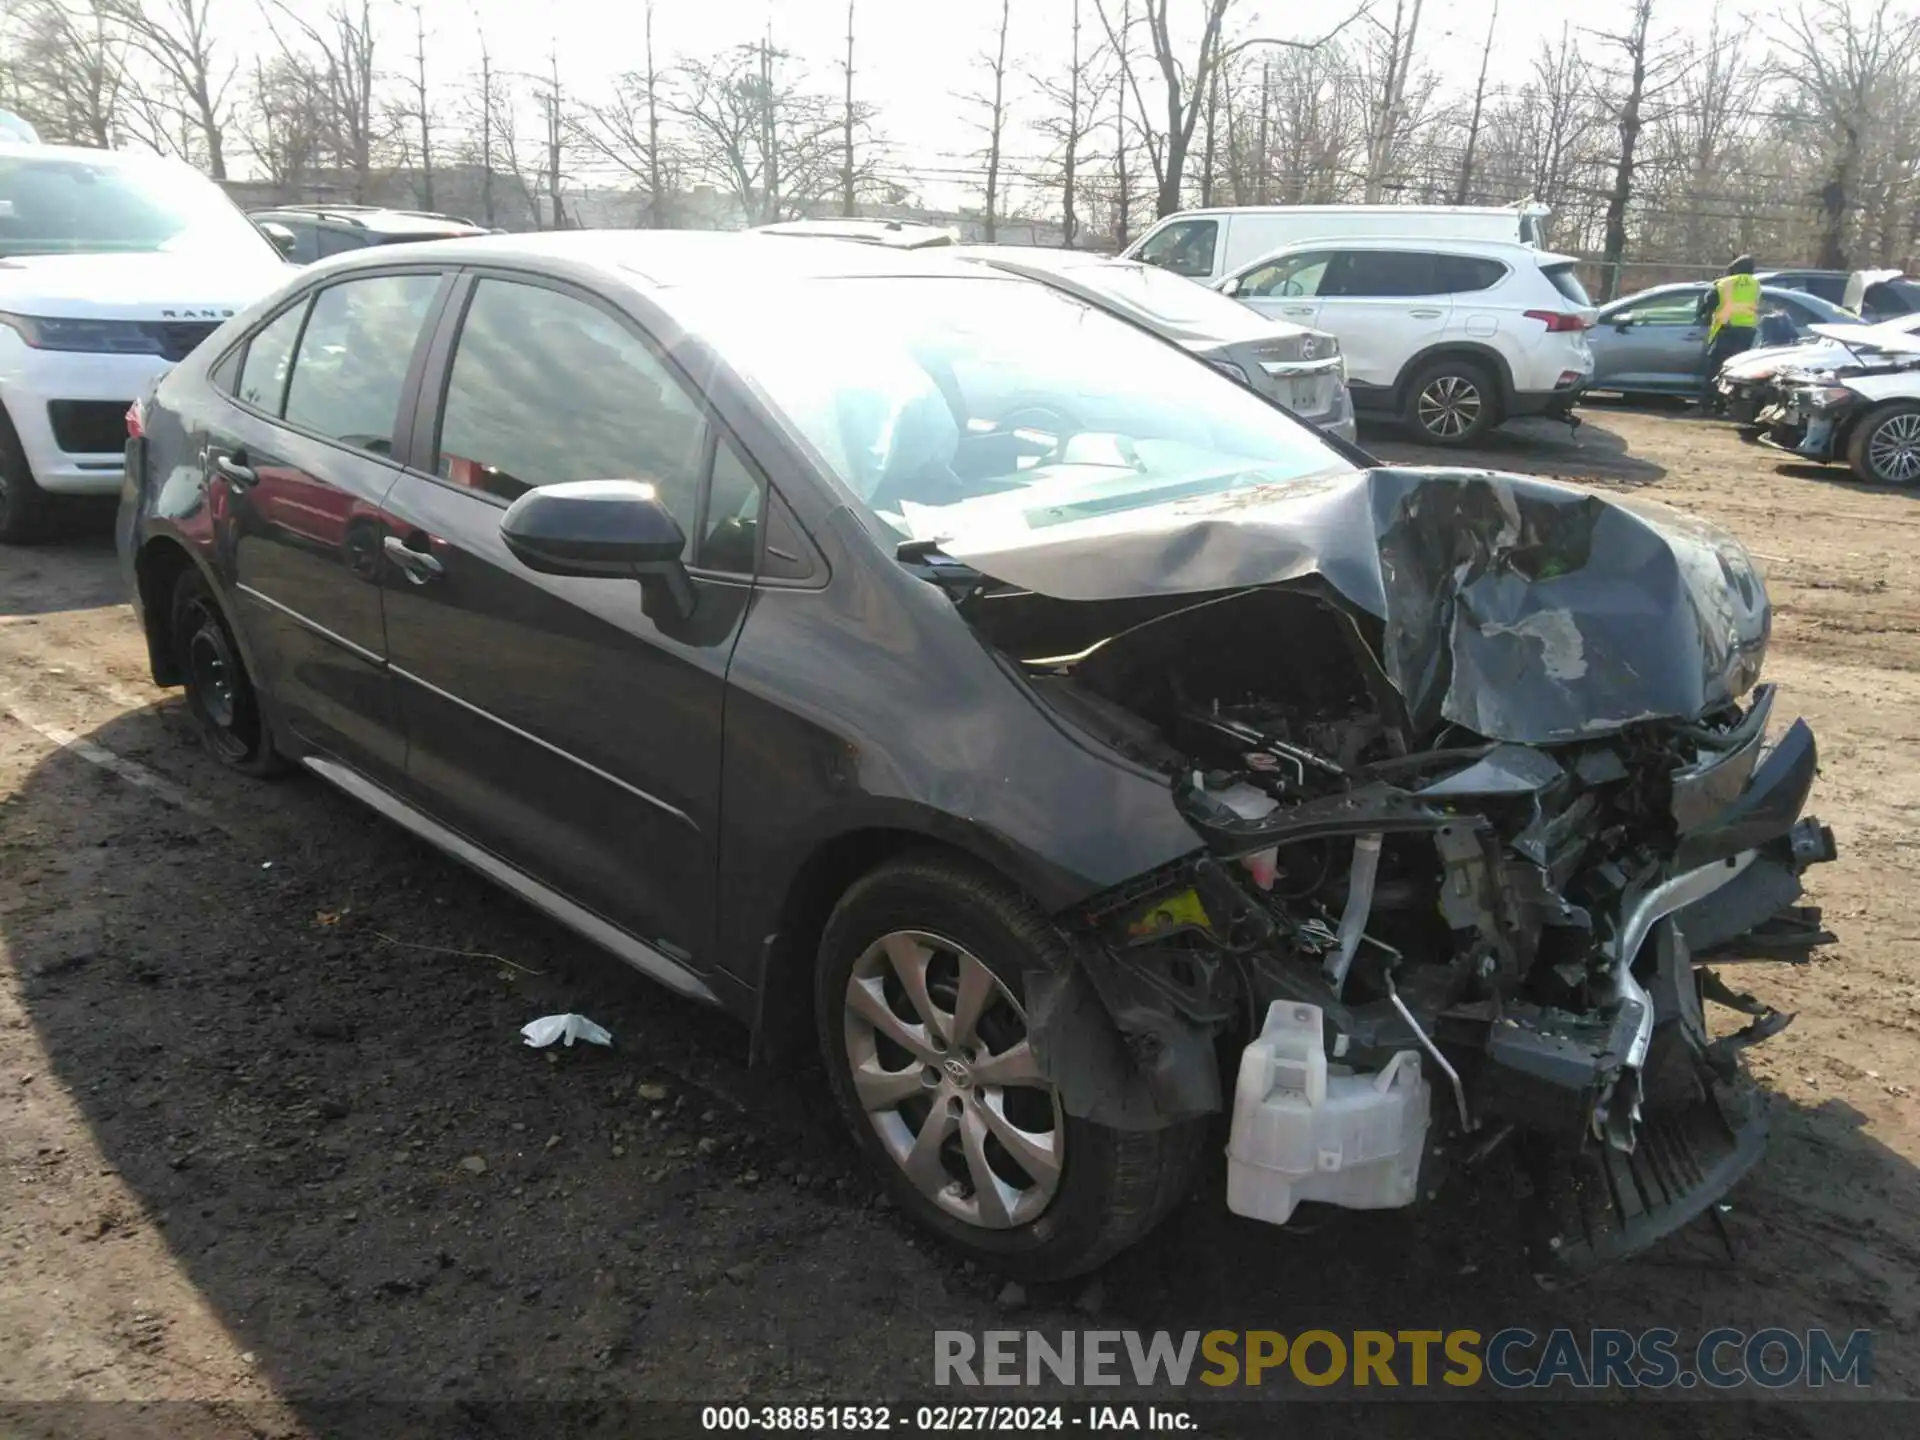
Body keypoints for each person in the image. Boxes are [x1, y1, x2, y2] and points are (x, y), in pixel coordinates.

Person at [1696, 254, 1761, 409]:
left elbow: (1708, 303)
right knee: (1736, 372)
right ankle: (1725, 405)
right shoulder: (1756, 284)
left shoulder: (1724, 283)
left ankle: (1706, 406)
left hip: (1727, 330)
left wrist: (1703, 315)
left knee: (1716, 370)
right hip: (1748, 332)